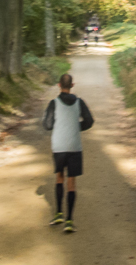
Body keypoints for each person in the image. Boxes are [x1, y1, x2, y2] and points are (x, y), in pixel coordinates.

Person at [42, 73, 94, 233]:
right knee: (71, 182)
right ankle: (69, 220)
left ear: (59, 85)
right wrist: (76, 127)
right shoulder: (79, 102)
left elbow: (48, 125)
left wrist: (61, 126)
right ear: (72, 85)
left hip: (59, 146)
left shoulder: (54, 103)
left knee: (60, 177)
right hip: (74, 146)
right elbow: (89, 121)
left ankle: (58, 213)